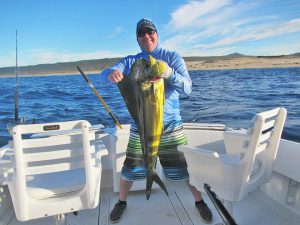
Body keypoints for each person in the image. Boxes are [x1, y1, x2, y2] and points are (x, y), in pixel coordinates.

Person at [101, 18, 213, 224]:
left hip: (171, 126)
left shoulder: (171, 57)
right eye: (141, 34)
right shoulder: (129, 61)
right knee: (129, 168)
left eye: (149, 32)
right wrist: (111, 74)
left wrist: (169, 73)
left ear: (157, 34)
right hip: (141, 126)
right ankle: (122, 202)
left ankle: (199, 201)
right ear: (137, 39)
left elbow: (187, 88)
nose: (146, 37)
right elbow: (105, 73)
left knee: (186, 169)